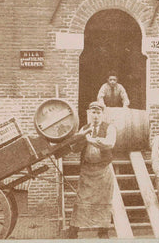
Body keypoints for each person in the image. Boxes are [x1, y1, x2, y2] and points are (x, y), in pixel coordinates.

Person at [68, 101, 117, 239]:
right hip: (87, 170)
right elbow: (75, 149)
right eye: (93, 113)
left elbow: (109, 144)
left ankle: (103, 231)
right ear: (89, 114)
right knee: (81, 199)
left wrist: (90, 139)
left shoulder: (109, 128)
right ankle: (73, 231)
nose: (95, 116)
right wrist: (78, 137)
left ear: (103, 114)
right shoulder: (84, 128)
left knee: (104, 199)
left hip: (103, 170)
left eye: (98, 113)